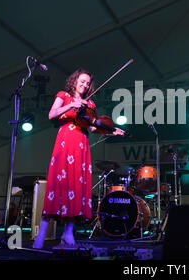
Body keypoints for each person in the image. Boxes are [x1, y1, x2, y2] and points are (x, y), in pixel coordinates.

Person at [33, 69, 126, 249]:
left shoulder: (90, 104)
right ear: (74, 81)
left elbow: (92, 126)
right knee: (58, 185)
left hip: (81, 146)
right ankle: (42, 234)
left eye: (87, 83)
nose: (84, 85)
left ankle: (68, 234)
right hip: (65, 143)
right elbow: (52, 114)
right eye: (81, 81)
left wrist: (111, 130)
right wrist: (72, 105)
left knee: (75, 187)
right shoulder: (64, 96)